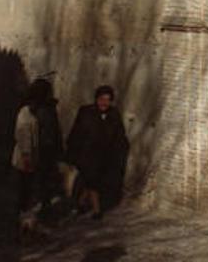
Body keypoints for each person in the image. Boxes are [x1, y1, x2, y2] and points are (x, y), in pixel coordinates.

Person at [65, 85, 129, 219]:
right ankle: (97, 210)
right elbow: (76, 134)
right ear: (96, 99)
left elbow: (119, 136)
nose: (104, 103)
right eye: (102, 99)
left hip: (105, 157)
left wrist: (119, 154)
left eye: (107, 100)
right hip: (86, 155)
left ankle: (81, 203)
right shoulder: (86, 112)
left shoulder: (114, 114)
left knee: (91, 182)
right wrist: (72, 155)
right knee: (93, 182)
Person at [11, 77, 63, 225]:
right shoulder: (27, 111)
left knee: (42, 187)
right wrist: (27, 155)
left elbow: (54, 131)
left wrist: (57, 151)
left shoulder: (49, 110)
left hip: (44, 155)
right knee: (26, 188)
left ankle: (39, 216)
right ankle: (23, 216)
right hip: (28, 156)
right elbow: (23, 133)